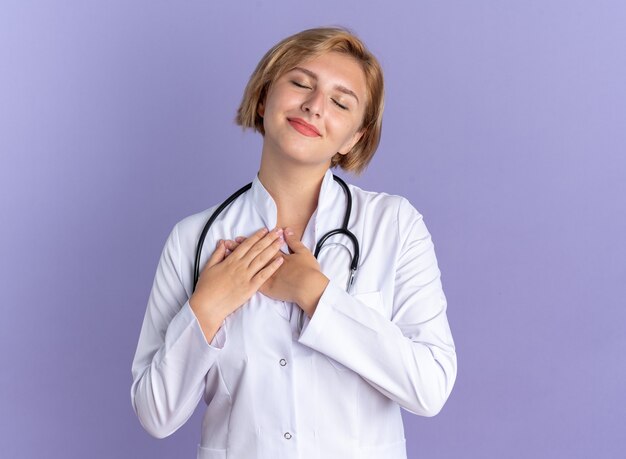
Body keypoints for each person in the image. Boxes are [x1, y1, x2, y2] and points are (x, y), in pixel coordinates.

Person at [131, 26, 457, 459]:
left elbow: (429, 388)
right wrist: (209, 306)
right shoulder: (194, 238)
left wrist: (316, 295)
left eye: (341, 102)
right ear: (264, 99)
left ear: (354, 137)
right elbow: (156, 414)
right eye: (301, 83)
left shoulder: (393, 225)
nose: (314, 105)